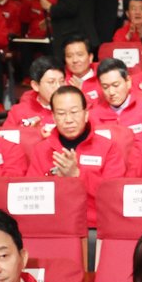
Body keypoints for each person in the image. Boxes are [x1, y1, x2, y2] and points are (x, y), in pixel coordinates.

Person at [28, 85, 126, 227]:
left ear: (86, 115)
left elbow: (114, 196)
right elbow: (33, 197)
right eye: (61, 114)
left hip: (95, 227)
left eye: (74, 112)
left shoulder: (108, 147)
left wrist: (77, 175)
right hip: (53, 227)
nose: (68, 120)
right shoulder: (41, 150)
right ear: (53, 117)